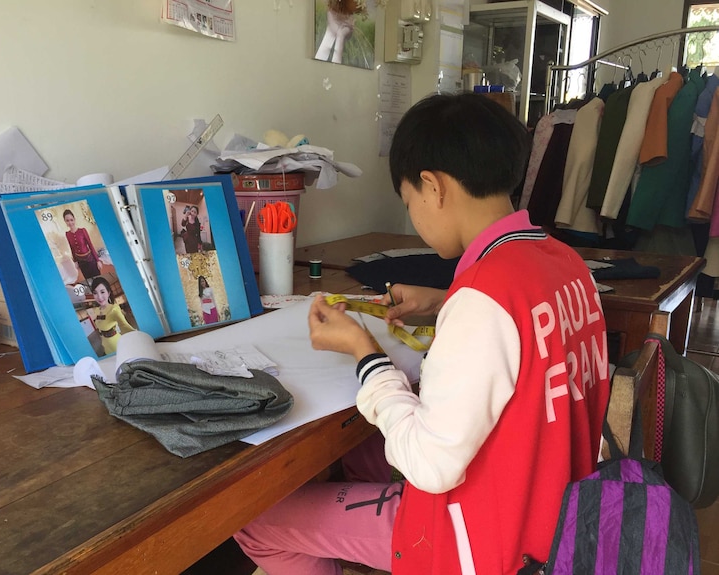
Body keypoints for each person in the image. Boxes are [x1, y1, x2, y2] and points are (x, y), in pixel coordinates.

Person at [234, 93, 611, 574]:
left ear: (432, 186)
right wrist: (443, 302)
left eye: (410, 201)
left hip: (480, 541)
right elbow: (526, 340)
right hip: (557, 522)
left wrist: (365, 354)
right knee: (366, 452)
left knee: (259, 521)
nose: (415, 213)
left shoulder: (485, 297)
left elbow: (431, 466)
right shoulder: (564, 262)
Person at [89, 276, 135, 356]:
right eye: (95, 293)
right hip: (104, 344)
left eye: (102, 292)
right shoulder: (96, 310)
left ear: (108, 293)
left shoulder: (114, 309)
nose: (99, 297)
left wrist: (138, 337)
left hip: (115, 344)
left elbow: (124, 326)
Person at [63, 209, 101, 282]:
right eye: (67, 220)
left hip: (90, 259)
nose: (70, 222)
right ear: (65, 222)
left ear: (74, 219)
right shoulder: (67, 234)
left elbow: (90, 244)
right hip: (81, 262)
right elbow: (72, 249)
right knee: (89, 280)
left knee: (98, 278)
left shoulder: (82, 230)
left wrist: (98, 260)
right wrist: (75, 262)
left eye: (71, 220)